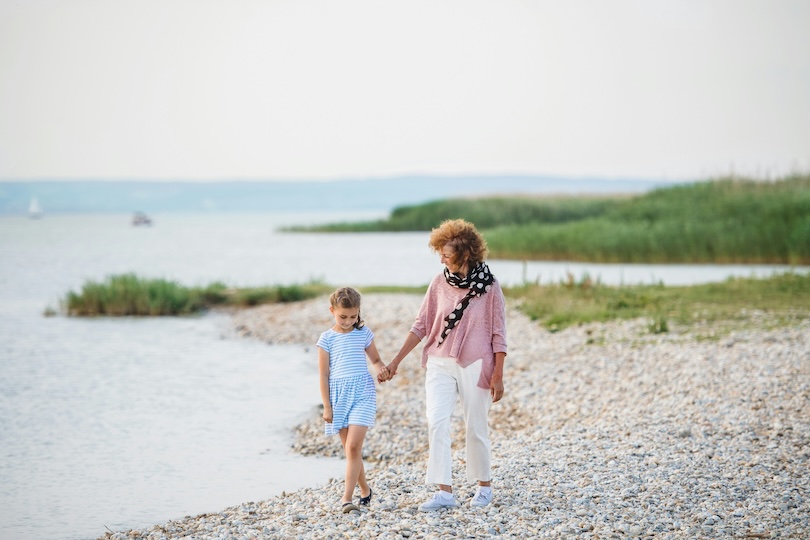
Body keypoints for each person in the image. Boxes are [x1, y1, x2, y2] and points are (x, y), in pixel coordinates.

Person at [384, 218, 507, 511]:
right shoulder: (439, 283)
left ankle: (484, 487)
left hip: (476, 364)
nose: (441, 257)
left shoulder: (489, 288)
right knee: (436, 421)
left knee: (475, 426)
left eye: (446, 252)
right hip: (439, 362)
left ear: (465, 252)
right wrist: (396, 360)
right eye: (439, 251)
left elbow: (498, 334)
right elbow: (421, 325)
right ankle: (444, 492)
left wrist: (499, 375)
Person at [318, 287, 389, 514]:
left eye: (353, 316)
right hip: (338, 397)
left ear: (358, 312)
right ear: (332, 311)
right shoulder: (326, 339)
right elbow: (323, 374)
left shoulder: (363, 333)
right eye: (343, 316)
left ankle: (346, 499)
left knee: (354, 446)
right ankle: (366, 489)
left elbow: (376, 359)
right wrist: (327, 406)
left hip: (362, 393)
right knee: (351, 452)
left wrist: (382, 370)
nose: (348, 321)